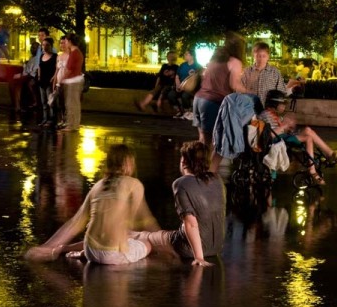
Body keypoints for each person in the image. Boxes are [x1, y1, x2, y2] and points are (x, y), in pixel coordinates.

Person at [24, 144, 161, 265]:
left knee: (125, 234)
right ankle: (67, 250)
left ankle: (64, 249)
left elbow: (75, 223)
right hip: (113, 255)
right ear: (128, 163)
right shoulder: (134, 184)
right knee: (146, 243)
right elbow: (146, 220)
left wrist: (47, 247)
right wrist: (167, 244)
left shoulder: (97, 186)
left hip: (91, 251)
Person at [135, 141, 226, 267]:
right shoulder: (217, 180)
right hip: (216, 247)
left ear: (183, 162)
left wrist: (199, 257)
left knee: (146, 236)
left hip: (189, 248)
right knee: (159, 234)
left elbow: (191, 223)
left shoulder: (181, 183)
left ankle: (123, 236)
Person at [260, 90, 337, 185]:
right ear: (274, 104)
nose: (284, 106)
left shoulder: (274, 115)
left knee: (308, 130)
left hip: (284, 136)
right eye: (282, 104)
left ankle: (330, 153)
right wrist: (284, 126)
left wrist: (288, 125)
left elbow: (281, 127)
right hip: (278, 139)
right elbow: (269, 134)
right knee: (308, 138)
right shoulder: (266, 115)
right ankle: (312, 170)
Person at [192, 32, 248, 148]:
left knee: (202, 140)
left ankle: (195, 164)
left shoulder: (216, 58)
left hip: (198, 99)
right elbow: (234, 85)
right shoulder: (235, 62)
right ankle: (207, 166)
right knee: (211, 142)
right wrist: (250, 91)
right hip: (211, 102)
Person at [241, 41, 287, 108]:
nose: (261, 59)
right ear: (254, 55)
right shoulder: (247, 72)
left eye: (264, 56)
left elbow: (281, 91)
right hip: (250, 109)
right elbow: (240, 90)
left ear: (268, 56)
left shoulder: (274, 72)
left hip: (268, 109)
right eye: (258, 56)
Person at [61, 33, 84, 132]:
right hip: (76, 81)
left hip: (72, 82)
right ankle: (75, 124)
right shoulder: (77, 52)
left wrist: (62, 79)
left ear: (70, 41)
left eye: (66, 41)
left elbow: (69, 69)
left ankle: (71, 125)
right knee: (75, 104)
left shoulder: (74, 53)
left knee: (71, 104)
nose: (65, 43)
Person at [171, 49, 202, 118]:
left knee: (185, 96)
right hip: (181, 87)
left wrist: (187, 87)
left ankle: (188, 112)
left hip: (191, 88)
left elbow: (198, 80)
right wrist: (178, 86)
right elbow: (177, 76)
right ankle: (179, 111)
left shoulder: (198, 66)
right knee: (171, 95)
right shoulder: (182, 65)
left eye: (186, 54)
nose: (184, 56)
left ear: (192, 56)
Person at [11, 41, 40, 113]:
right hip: (26, 75)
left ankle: (19, 106)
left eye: (34, 48)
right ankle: (18, 106)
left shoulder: (37, 58)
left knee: (18, 85)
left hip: (30, 76)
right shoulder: (32, 58)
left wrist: (22, 75)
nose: (32, 49)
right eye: (32, 47)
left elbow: (32, 72)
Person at [37, 37, 57, 127]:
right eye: (43, 45)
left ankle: (51, 119)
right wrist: (39, 76)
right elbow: (40, 67)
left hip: (49, 81)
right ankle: (45, 119)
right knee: (43, 102)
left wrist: (54, 77)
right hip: (42, 81)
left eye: (47, 45)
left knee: (50, 102)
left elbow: (57, 68)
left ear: (51, 46)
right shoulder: (42, 56)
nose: (45, 47)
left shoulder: (54, 57)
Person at [51, 36, 69, 128]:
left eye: (64, 43)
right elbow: (56, 70)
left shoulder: (70, 56)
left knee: (66, 102)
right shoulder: (59, 56)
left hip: (67, 83)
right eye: (61, 43)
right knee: (60, 103)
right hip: (59, 82)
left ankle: (67, 120)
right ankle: (62, 119)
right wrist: (54, 82)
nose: (62, 45)